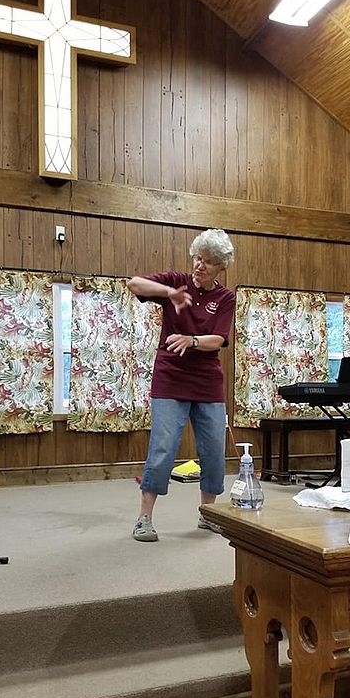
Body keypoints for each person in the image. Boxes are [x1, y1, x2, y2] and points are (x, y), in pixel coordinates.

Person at [127, 228, 235, 541]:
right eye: (198, 258)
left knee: (213, 451)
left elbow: (219, 339)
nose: (200, 265)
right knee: (162, 448)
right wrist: (168, 294)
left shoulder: (225, 298)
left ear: (220, 267)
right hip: (170, 377)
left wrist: (193, 340)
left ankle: (208, 514)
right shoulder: (176, 281)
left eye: (209, 262)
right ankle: (144, 518)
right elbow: (134, 284)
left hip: (207, 382)